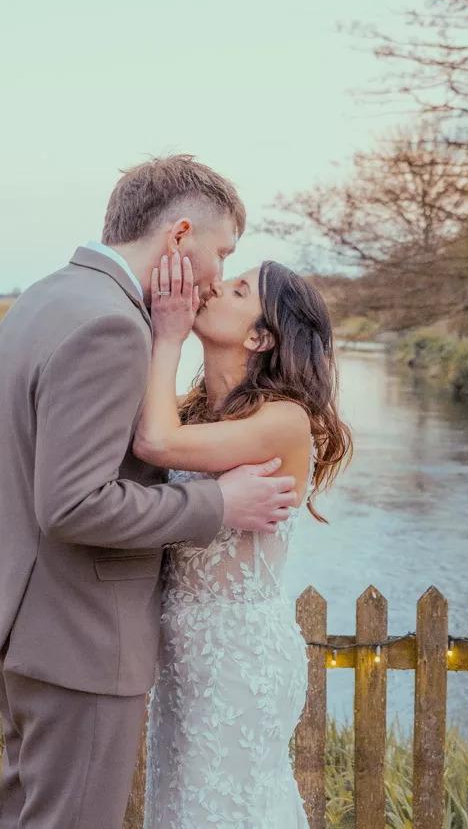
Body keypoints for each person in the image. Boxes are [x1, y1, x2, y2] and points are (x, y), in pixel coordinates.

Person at [0, 156, 297, 829]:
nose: (213, 277)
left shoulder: (48, 296)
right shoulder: (111, 327)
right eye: (221, 254)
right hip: (80, 637)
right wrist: (217, 506)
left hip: (23, 623)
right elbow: (74, 504)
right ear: (179, 238)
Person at [136, 250, 352, 828]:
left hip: (238, 654)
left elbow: (155, 445)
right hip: (180, 653)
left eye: (236, 291)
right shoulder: (192, 411)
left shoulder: (284, 420)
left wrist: (168, 336)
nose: (215, 288)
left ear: (260, 337)